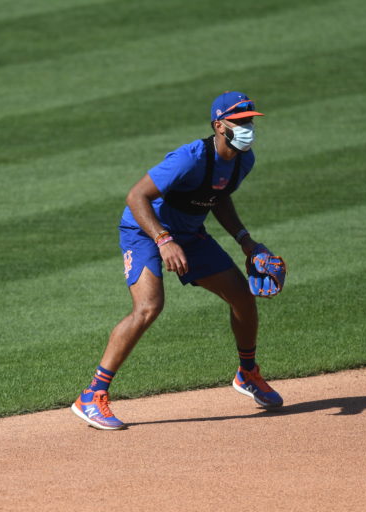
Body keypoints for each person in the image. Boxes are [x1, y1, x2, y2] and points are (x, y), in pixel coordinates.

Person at [71, 91, 284, 430]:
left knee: (241, 295)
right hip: (144, 230)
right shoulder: (190, 158)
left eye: (250, 122)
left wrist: (247, 242)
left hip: (187, 233)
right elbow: (136, 196)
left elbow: (218, 198)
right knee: (148, 307)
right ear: (219, 125)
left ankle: (248, 374)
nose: (248, 128)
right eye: (240, 122)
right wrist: (163, 239)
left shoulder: (244, 160)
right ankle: (92, 395)